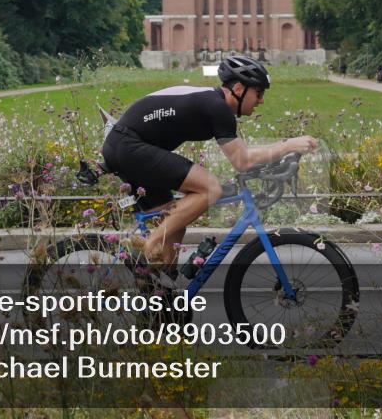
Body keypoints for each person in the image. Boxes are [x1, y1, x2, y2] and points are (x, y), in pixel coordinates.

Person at [100, 55, 318, 271]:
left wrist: (276, 160)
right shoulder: (217, 107)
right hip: (127, 145)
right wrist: (288, 145)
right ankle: (147, 246)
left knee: (175, 226)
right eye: (259, 92)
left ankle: (160, 290)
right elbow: (242, 161)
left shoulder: (212, 102)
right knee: (210, 188)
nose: (261, 100)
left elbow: (243, 157)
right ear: (240, 89)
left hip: (125, 146)